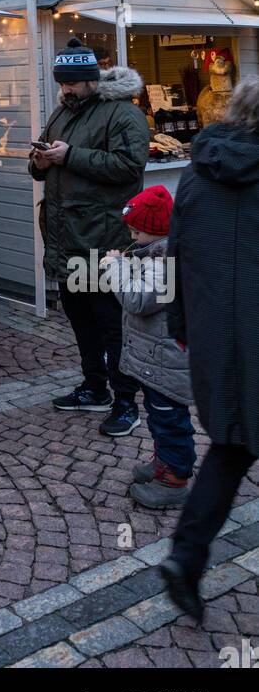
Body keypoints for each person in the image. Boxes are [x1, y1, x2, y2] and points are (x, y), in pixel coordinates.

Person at [159, 78, 259, 624]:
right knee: (231, 451)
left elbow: (175, 259)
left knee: (230, 449)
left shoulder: (196, 176)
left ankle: (185, 557)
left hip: (218, 340)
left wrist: (181, 325)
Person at [29, 37, 149, 435]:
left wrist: (69, 156)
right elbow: (46, 166)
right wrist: (41, 161)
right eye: (61, 82)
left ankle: (126, 401)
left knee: (112, 324)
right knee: (81, 322)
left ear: (92, 80)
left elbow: (129, 166)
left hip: (105, 241)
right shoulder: (63, 113)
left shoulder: (122, 113)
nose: (65, 89)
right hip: (67, 239)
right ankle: (95, 387)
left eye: (73, 83)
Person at [101, 185, 195, 509]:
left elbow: (137, 299)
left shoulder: (164, 261)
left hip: (166, 360)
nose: (131, 235)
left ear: (154, 231)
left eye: (136, 230)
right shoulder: (156, 255)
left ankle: (175, 479)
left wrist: (115, 268)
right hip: (157, 358)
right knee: (158, 415)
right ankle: (164, 463)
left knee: (170, 418)